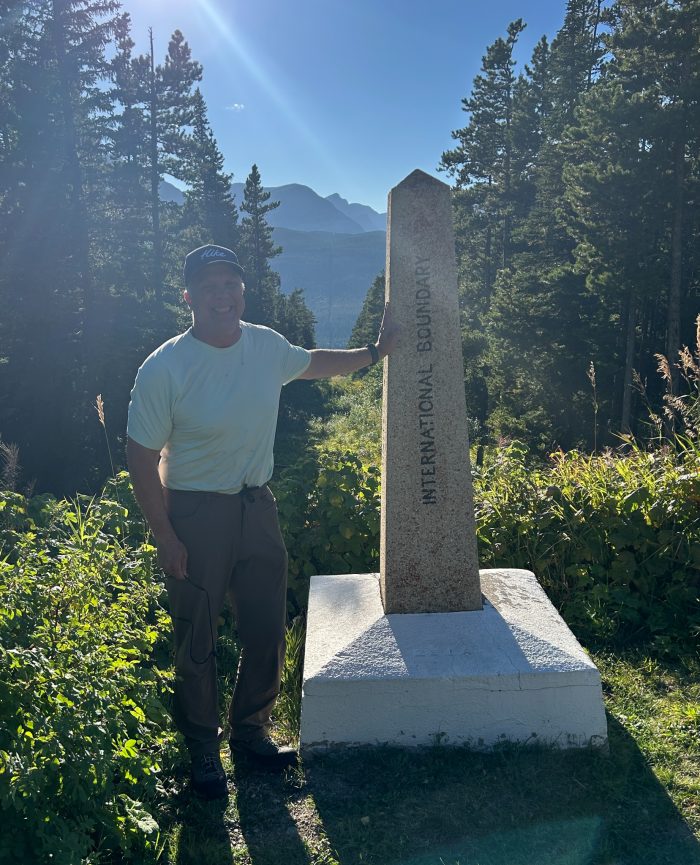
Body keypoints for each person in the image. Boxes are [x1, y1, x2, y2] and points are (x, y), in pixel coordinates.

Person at [126, 243, 398, 799]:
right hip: (195, 510)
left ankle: (251, 732)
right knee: (197, 635)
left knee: (266, 627)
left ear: (241, 291)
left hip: (257, 506)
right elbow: (139, 456)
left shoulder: (266, 345)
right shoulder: (165, 367)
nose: (222, 295)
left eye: (231, 284)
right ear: (189, 297)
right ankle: (204, 747)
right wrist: (166, 536)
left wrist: (373, 353)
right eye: (209, 286)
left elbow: (312, 361)